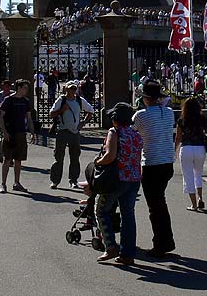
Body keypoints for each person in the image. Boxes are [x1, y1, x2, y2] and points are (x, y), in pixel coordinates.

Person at [95, 102, 143, 265]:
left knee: (101, 210)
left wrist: (98, 162)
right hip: (134, 179)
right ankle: (127, 254)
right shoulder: (135, 135)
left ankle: (110, 246)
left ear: (115, 119)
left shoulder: (114, 132)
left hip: (118, 179)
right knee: (128, 215)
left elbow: (110, 155)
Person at [132, 79, 176, 258]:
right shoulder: (169, 112)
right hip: (167, 162)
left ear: (145, 98)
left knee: (155, 207)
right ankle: (166, 240)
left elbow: (132, 132)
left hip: (151, 162)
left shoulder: (142, 115)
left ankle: (160, 243)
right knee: (160, 203)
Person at [175, 97, 207, 211]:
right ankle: (200, 197)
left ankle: (193, 204)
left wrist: (174, 151)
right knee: (198, 174)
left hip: (186, 149)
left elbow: (178, 138)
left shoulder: (182, 120)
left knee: (188, 176)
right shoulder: (202, 119)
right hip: (200, 148)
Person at [49, 81, 95, 189]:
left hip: (75, 132)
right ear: (66, 89)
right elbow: (52, 114)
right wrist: (61, 110)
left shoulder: (79, 100)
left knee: (75, 157)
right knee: (58, 157)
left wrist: (83, 123)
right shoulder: (61, 100)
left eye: (74, 89)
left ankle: (73, 180)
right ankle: (55, 181)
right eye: (71, 89)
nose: (73, 91)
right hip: (63, 131)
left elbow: (91, 111)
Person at [0, 79, 34, 193]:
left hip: (21, 133)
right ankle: (3, 184)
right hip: (10, 133)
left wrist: (32, 132)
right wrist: (4, 132)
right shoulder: (8, 100)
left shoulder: (25, 101)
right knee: (7, 160)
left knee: (18, 160)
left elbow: (28, 118)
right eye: (24, 88)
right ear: (19, 88)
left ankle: (16, 183)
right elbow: (0, 117)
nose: (26, 90)